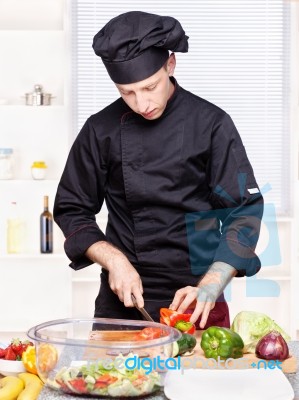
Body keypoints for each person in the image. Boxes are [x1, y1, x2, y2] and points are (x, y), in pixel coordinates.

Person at [54, 11, 264, 329]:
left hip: (198, 297)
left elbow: (244, 210)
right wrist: (114, 260)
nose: (141, 103)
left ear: (170, 65)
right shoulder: (100, 129)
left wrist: (214, 280)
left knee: (203, 378)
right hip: (124, 302)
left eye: (150, 87)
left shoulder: (211, 123)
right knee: (111, 379)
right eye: (126, 92)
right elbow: (72, 208)